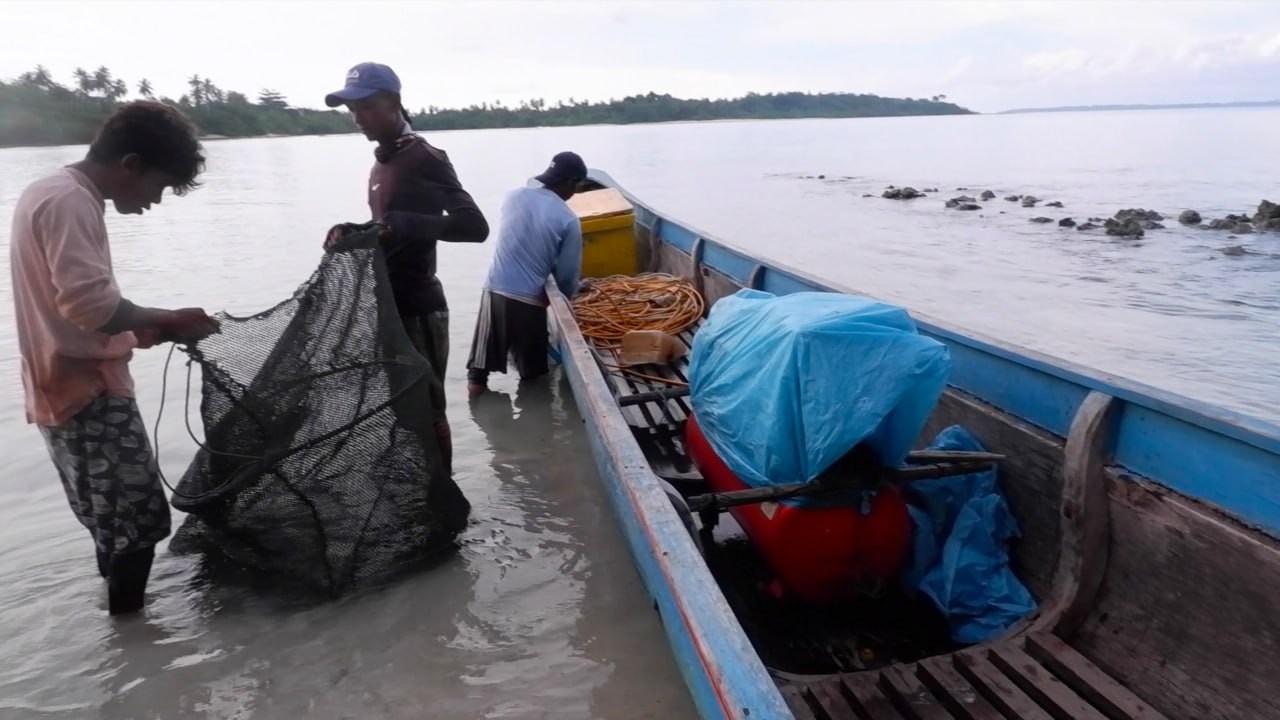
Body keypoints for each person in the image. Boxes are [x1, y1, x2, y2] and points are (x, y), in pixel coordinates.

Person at [8, 101, 221, 615]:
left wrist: (149, 330)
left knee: (114, 521)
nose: (156, 201)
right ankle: (130, 632)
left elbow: (73, 310)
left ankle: (125, 653)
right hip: (87, 393)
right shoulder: (69, 202)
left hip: (63, 385)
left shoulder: (52, 191)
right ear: (130, 165)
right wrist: (167, 317)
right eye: (160, 186)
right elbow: (91, 304)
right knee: (138, 524)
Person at [322, 62, 489, 474]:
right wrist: (355, 230)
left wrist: (407, 225)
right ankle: (417, 489)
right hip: (389, 308)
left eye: (367, 107)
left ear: (394, 103)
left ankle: (443, 498)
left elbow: (475, 227)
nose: (359, 118)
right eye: (353, 110)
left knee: (427, 410)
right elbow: (391, 226)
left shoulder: (424, 157)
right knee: (400, 410)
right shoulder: (382, 164)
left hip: (419, 307)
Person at [465, 151, 588, 397]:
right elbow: (565, 277)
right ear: (571, 183)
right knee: (532, 375)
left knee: (478, 370)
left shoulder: (513, 196)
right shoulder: (569, 220)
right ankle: (533, 420)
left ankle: (477, 402)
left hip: (494, 291)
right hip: (528, 302)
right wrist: (572, 292)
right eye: (578, 186)